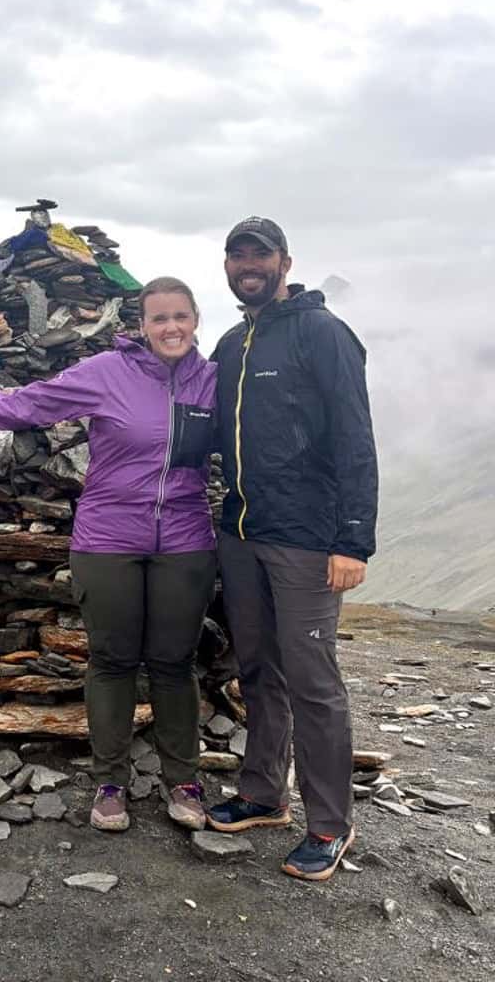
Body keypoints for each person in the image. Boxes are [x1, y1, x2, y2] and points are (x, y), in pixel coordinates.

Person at [0, 278, 218, 834]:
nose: (171, 328)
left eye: (181, 317)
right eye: (159, 318)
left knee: (173, 664)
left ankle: (184, 782)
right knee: (114, 661)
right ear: (139, 325)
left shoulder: (215, 382)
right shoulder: (105, 373)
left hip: (186, 540)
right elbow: (30, 404)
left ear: (196, 321)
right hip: (108, 540)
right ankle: (110, 783)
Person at [207, 217, 378, 882]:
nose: (248, 265)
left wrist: (353, 540)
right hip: (242, 536)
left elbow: (355, 440)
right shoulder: (231, 343)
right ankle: (262, 794)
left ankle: (331, 823)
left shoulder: (323, 334)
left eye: (260, 254)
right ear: (227, 265)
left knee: (313, 683)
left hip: (309, 542)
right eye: (237, 255)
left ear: (284, 262)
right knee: (259, 672)